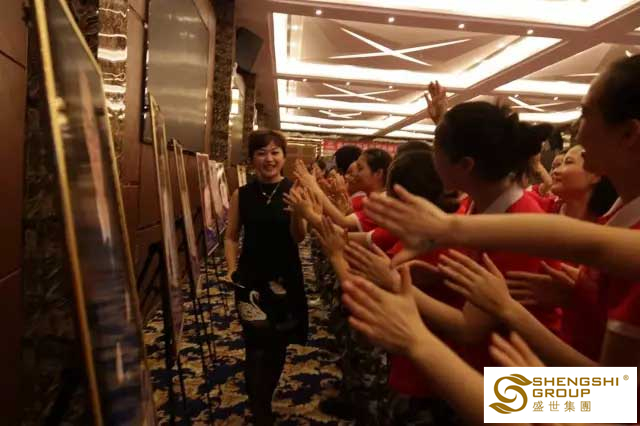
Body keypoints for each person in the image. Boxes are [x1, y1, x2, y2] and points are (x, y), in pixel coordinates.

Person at [361, 54, 640, 368]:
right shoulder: (614, 217)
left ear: (629, 134)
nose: (577, 132)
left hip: (523, 383)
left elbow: (612, 393)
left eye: (585, 114)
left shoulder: (521, 220)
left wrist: (405, 304)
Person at [223, 130, 308, 425]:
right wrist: (231, 268)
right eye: (261, 153)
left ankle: (265, 397)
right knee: (256, 345)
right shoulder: (242, 194)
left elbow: (299, 237)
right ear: (251, 159)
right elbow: (231, 236)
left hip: (286, 277)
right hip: (250, 278)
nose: (268, 159)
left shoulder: (295, 191)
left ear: (284, 157)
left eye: (274, 152)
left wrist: (298, 212)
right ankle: (260, 410)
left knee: (277, 344)